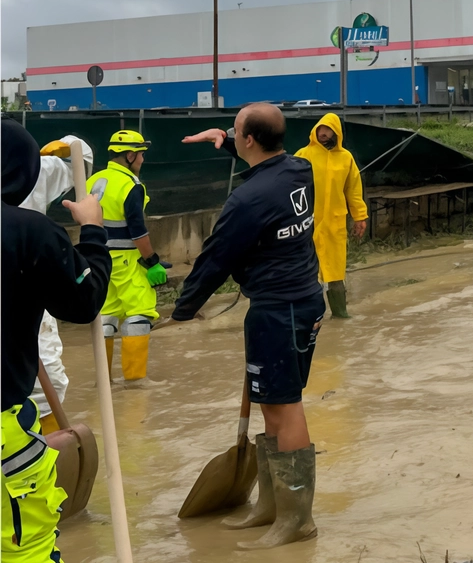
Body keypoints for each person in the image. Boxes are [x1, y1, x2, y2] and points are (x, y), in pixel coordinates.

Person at [176, 103, 324, 549]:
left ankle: (298, 520)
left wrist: (183, 310)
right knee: (270, 402)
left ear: (250, 140)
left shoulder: (247, 201)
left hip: (282, 308)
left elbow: (215, 259)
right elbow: (266, 164)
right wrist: (225, 139)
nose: (232, 133)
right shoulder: (300, 168)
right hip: (298, 299)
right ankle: (271, 506)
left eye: (235, 129)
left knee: (285, 405)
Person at [2, 116, 112, 563]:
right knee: (24, 549)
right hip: (4, 424)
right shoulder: (28, 230)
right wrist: (93, 232)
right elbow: (83, 301)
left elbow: (76, 153)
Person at [22, 135, 95, 434]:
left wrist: (70, 145)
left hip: (25, 297)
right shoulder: (30, 169)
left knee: (43, 385)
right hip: (27, 295)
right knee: (43, 385)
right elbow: (81, 160)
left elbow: (80, 159)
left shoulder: (34, 169)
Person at [86, 130, 170, 387]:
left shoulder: (93, 180)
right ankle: (135, 381)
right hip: (128, 260)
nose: (143, 160)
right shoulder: (131, 185)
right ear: (130, 155)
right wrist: (152, 261)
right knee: (139, 313)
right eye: (141, 154)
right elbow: (138, 231)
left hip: (99, 258)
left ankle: (104, 382)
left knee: (107, 315)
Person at [294, 114, 368, 318]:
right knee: (308, 271)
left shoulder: (346, 158)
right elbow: (290, 187)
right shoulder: (303, 155)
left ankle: (340, 314)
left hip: (335, 223)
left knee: (336, 271)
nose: (324, 133)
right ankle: (310, 316)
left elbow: (353, 190)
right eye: (321, 129)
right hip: (309, 222)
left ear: (337, 132)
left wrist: (359, 216)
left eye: (328, 129)